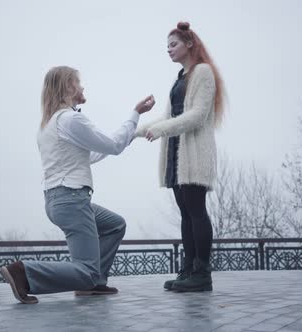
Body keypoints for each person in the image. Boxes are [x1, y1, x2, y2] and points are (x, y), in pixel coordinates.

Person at [0, 66, 155, 304]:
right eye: (78, 82)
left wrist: (131, 135)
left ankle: (94, 284)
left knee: (114, 225)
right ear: (68, 87)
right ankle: (25, 272)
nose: (82, 87)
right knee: (86, 270)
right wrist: (135, 114)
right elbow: (112, 145)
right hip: (71, 200)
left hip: (57, 201)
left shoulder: (49, 125)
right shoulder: (72, 119)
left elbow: (91, 155)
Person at [134, 21, 225, 292]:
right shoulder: (180, 78)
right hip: (176, 152)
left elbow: (197, 116)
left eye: (173, 44)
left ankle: (202, 273)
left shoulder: (204, 72)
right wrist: (137, 131)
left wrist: (160, 130)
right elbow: (170, 116)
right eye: (167, 46)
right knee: (186, 213)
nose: (169, 50)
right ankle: (188, 270)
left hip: (194, 152)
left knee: (197, 211)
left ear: (189, 44)